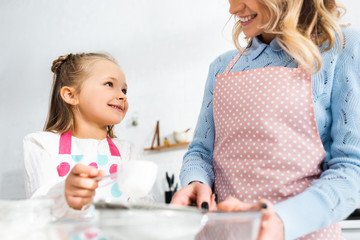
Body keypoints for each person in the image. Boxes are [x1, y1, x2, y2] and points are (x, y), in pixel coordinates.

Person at [171, 0, 360, 239]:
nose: (233, 9)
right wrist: (195, 182)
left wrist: (281, 221)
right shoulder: (221, 67)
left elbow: (352, 169)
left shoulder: (340, 47)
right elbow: (200, 152)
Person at [23, 52, 141, 219]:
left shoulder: (128, 150)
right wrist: (65, 194)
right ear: (71, 95)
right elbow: (38, 210)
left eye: (124, 89)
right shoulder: (41, 144)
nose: (122, 95)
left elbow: (142, 208)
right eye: (109, 84)